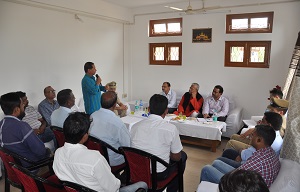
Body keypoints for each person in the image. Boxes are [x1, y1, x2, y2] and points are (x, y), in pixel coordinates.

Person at [53, 112, 147, 192]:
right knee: (143, 185)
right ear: (85, 135)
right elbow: (113, 188)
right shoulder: (95, 158)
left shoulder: (57, 154)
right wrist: (116, 180)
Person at [131, 94, 187, 192]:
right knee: (183, 156)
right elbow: (176, 157)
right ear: (166, 111)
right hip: (159, 174)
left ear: (148, 109)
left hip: (137, 170)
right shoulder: (171, 129)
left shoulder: (135, 126)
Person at [200, 125, 280, 188]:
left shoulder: (259, 160)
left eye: (252, 136)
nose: (250, 137)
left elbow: (235, 177)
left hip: (241, 186)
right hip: (247, 181)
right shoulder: (269, 152)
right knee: (216, 162)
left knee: (206, 169)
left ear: (259, 140)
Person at [0, 92, 49, 167]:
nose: (24, 106)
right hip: (29, 167)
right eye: (22, 104)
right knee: (48, 152)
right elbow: (40, 151)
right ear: (16, 109)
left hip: (14, 167)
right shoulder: (22, 126)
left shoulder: (1, 124)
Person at [89, 91, 130, 167]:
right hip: (111, 160)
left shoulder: (92, 116)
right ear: (115, 105)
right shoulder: (117, 123)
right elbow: (127, 146)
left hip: (95, 155)